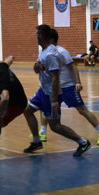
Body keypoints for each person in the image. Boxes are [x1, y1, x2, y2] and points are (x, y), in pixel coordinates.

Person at [23, 24, 92, 157]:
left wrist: (54, 100)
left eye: (37, 34)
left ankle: (83, 142)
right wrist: (36, 67)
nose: (35, 37)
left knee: (55, 126)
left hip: (51, 94)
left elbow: (55, 78)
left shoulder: (51, 54)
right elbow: (38, 71)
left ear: (42, 36)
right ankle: (36, 141)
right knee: (27, 110)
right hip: (43, 90)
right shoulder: (43, 50)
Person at [38, 29, 99, 145]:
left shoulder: (61, 51)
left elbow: (73, 66)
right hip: (54, 88)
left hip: (67, 86)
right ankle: (42, 132)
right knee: (45, 107)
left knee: (82, 110)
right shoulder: (45, 51)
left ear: (51, 39)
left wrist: (77, 82)